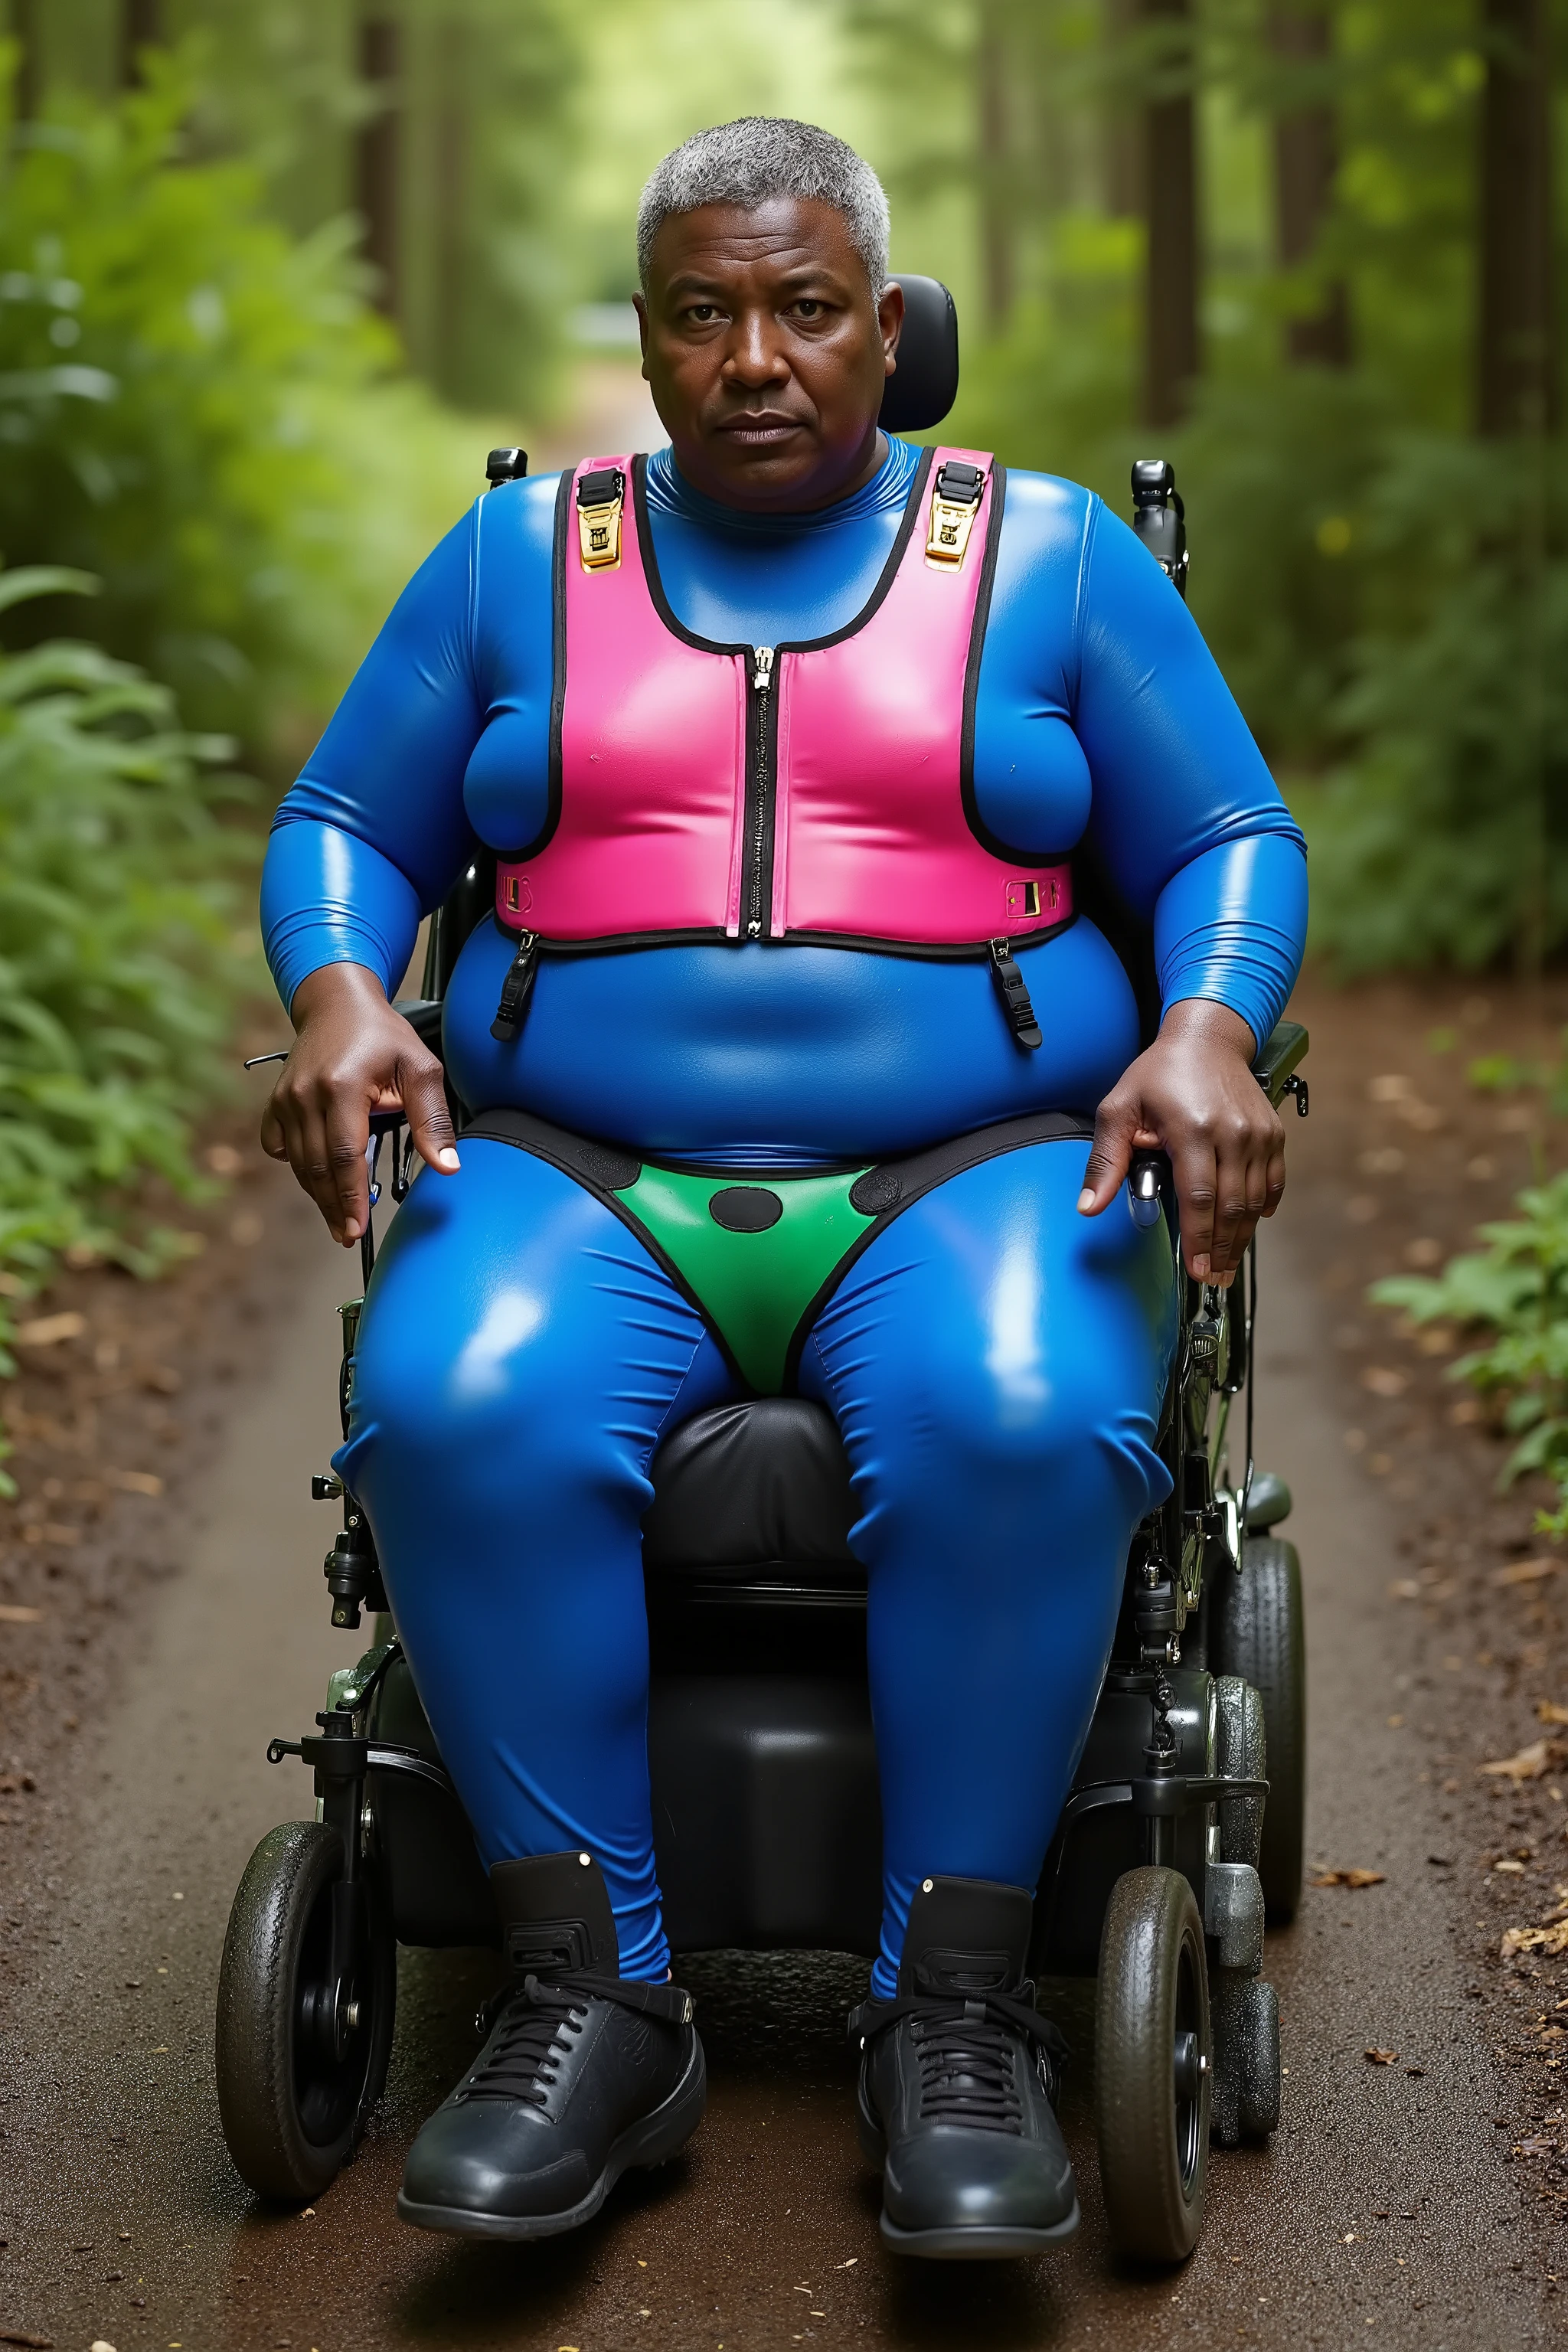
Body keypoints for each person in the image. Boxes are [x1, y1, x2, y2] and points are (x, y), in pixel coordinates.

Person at [257, 117, 1307, 2259]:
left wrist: (1205, 1022)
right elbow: (342, 816)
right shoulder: (519, 560)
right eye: (706, 314)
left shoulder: (1051, 556)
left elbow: (1231, 840)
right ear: (646, 341)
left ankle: (955, 2017)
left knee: (1023, 1413)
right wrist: (345, 987)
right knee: (452, 1402)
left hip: (977, 1168)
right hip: (576, 1173)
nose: (758, 357)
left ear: (888, 329)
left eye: (809, 308)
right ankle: (595, 2002)